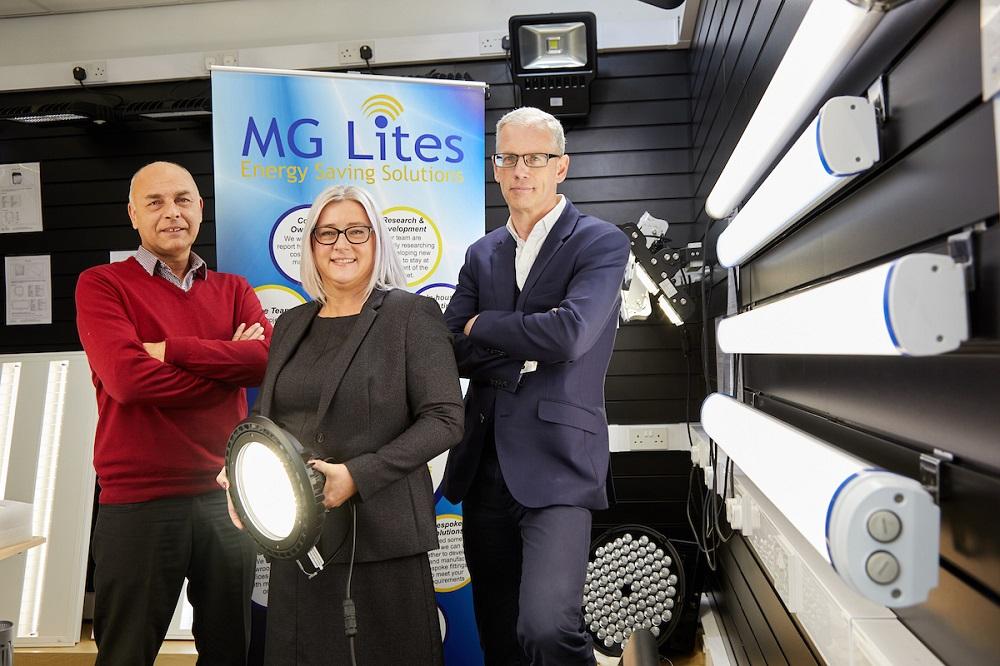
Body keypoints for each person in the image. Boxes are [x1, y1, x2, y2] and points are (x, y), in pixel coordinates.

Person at [225, 184, 463, 665]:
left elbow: (445, 419)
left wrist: (358, 475)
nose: (341, 244)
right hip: (300, 543)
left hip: (383, 542)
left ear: (377, 240)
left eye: (357, 231)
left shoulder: (411, 315)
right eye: (327, 233)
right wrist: (238, 473)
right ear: (311, 245)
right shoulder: (291, 324)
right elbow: (265, 420)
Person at [440, 107, 630, 665]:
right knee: (498, 638)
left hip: (559, 465)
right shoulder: (482, 253)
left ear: (561, 167)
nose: (520, 170)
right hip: (485, 464)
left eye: (535, 158)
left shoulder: (599, 243)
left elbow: (570, 335)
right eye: (508, 158)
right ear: (496, 168)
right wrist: (522, 351)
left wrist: (487, 327)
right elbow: (452, 342)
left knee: (547, 628)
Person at [75, 161, 270, 665]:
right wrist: (223, 361)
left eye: (183, 199)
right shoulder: (102, 285)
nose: (172, 213)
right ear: (133, 215)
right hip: (139, 503)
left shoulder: (233, 289)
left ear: (200, 208)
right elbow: (128, 380)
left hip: (227, 499)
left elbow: (263, 361)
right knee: (125, 655)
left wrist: (169, 349)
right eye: (155, 202)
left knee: (230, 651)